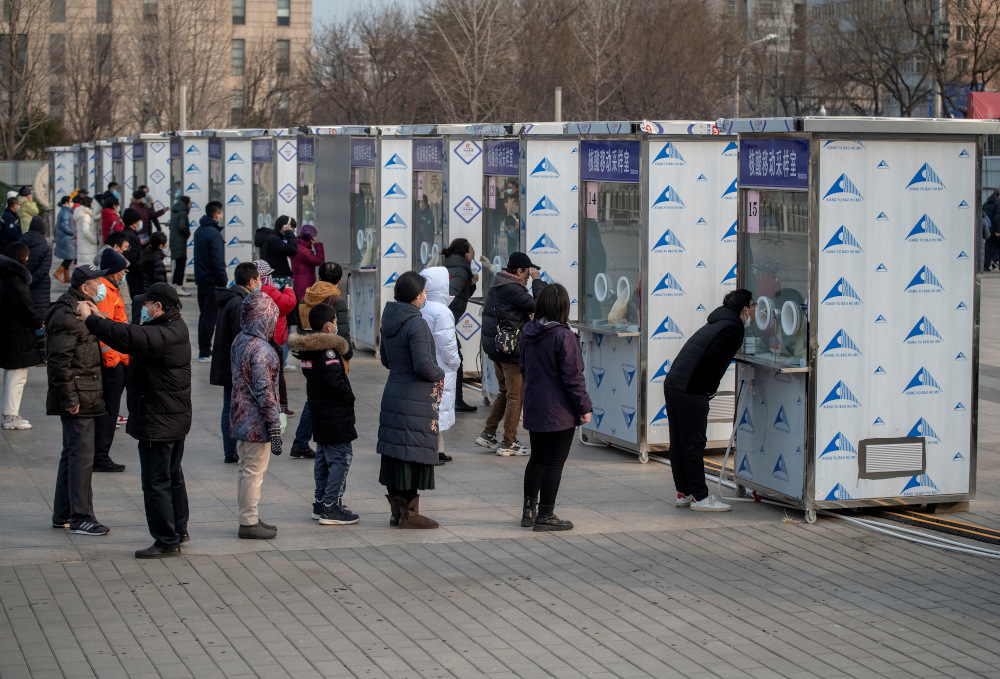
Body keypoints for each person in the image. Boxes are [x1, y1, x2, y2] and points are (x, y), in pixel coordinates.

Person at [79, 282, 192, 558]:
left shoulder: (164, 334)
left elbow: (128, 337)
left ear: (159, 307)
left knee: (156, 482)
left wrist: (90, 320)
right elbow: (133, 333)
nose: (144, 308)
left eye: (147, 304)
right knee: (172, 476)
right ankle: (178, 529)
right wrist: (103, 318)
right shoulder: (172, 328)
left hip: (158, 420)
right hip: (172, 418)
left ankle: (167, 540)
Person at [664, 289, 755, 513]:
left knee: (679, 442)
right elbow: (713, 361)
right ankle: (700, 497)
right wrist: (705, 391)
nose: (754, 311)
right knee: (693, 443)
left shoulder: (719, 321)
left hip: (674, 382)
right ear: (744, 309)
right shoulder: (733, 328)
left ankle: (684, 493)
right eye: (753, 306)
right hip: (690, 388)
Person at [519, 283, 592, 532]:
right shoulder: (564, 336)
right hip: (559, 410)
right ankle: (546, 514)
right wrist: (584, 407)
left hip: (534, 405)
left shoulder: (528, 333)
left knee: (537, 458)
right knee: (554, 463)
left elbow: (523, 369)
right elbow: (574, 378)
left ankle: (528, 511)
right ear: (562, 307)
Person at [377, 271, 445, 529]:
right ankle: (411, 516)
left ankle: (398, 512)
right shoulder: (416, 323)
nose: (425, 296)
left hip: (393, 392)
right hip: (414, 397)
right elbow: (424, 365)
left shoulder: (390, 319)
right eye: (424, 292)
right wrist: (441, 374)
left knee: (396, 454)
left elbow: (385, 360)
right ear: (417, 295)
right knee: (411, 454)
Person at [46, 264, 110, 535]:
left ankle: (63, 512)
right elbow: (59, 362)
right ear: (85, 288)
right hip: (79, 396)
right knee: (81, 457)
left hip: (86, 391)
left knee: (72, 454)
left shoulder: (82, 312)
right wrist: (69, 397)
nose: (101, 289)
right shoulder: (69, 315)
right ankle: (81, 516)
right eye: (97, 284)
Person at [287, 304, 359, 525]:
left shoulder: (308, 350)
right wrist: (349, 397)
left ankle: (320, 503)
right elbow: (335, 382)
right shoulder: (328, 351)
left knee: (323, 455)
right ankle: (331, 506)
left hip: (319, 410)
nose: (337, 326)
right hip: (333, 412)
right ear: (329, 325)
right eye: (336, 322)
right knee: (340, 457)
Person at [476, 251, 547, 456]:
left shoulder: (500, 283)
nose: (527, 276)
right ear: (519, 270)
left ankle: (488, 434)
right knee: (516, 395)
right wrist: (537, 282)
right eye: (527, 272)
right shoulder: (513, 288)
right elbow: (539, 306)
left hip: (498, 349)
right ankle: (509, 442)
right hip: (510, 351)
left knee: (505, 393)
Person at [230, 291, 282, 540]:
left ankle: (248, 515)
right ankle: (249, 521)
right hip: (255, 421)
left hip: (240, 416)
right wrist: (273, 423)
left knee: (245, 469)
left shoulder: (241, 339)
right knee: (253, 471)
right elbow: (265, 391)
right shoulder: (261, 348)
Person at [291, 261, 352, 458]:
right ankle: (309, 441)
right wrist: (347, 353)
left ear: (318, 278)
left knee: (315, 397)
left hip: (309, 355)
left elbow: (300, 328)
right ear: (340, 281)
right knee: (327, 399)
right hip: (330, 356)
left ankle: (302, 441)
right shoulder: (336, 301)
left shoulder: (304, 299)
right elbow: (343, 334)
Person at [211, 262, 260, 464]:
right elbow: (240, 337)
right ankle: (232, 450)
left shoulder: (231, 297)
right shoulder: (240, 302)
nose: (259, 284)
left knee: (228, 406)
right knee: (233, 407)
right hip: (234, 364)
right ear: (251, 281)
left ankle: (231, 449)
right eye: (258, 280)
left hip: (226, 361)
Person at [91, 249, 130, 473]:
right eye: (123, 269)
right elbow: (105, 331)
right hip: (111, 363)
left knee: (110, 411)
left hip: (118, 360)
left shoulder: (111, 289)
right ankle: (101, 456)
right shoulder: (106, 292)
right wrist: (114, 360)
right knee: (109, 411)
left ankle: (100, 454)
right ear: (115, 271)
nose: (124, 273)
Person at [419, 267, 461, 464]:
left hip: (427, 365)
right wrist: (455, 362)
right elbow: (448, 344)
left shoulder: (422, 306)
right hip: (442, 367)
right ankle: (432, 451)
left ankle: (438, 448)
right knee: (439, 409)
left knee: (433, 408)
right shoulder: (442, 311)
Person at [0, 244, 43, 430]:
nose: (28, 258)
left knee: (15, 376)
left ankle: (11, 414)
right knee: (16, 377)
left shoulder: (9, 279)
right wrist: (38, 321)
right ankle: (11, 416)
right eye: (26, 255)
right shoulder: (16, 281)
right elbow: (24, 308)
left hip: (12, 332)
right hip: (16, 334)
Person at [257, 259, 297, 418]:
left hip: (257, 339)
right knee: (277, 373)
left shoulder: (252, 292)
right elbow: (288, 304)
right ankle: (283, 406)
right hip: (274, 338)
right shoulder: (270, 290)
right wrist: (288, 290)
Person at [442, 238, 478, 412]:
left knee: (451, 358)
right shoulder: (462, 270)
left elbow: (460, 293)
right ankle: (456, 400)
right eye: (472, 249)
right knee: (456, 359)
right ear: (465, 254)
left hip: (445, 320)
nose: (474, 252)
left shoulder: (451, 265)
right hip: (446, 320)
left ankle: (452, 399)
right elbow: (452, 295)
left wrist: (471, 285)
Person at [193, 200, 226, 361]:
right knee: (210, 318)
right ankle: (205, 351)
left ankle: (204, 349)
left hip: (202, 280)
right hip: (213, 281)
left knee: (203, 316)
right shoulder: (214, 234)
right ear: (217, 214)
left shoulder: (199, 231)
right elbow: (218, 260)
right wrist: (223, 280)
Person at [254, 215, 298, 288]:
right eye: (292, 229)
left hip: (275, 277)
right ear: (285, 227)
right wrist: (289, 232)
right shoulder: (274, 240)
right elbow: (292, 249)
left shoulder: (270, 237)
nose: (292, 231)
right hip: (278, 278)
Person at [22, 216, 53, 318]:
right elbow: (43, 270)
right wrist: (31, 281)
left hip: (21, 287)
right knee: (39, 317)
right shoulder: (46, 248)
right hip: (41, 289)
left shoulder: (19, 244)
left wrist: (24, 282)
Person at [291, 223, 324, 302]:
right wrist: (317, 244)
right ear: (312, 238)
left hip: (301, 281)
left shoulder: (298, 246)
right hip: (304, 283)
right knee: (305, 307)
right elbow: (319, 261)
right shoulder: (303, 251)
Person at [168, 196, 192, 295]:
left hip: (175, 242)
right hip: (179, 242)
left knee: (178, 264)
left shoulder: (175, 212)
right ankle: (179, 286)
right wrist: (188, 234)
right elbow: (182, 227)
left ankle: (175, 285)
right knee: (180, 265)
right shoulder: (183, 213)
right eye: (190, 203)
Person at [54, 196, 76, 283]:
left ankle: (67, 276)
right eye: (71, 201)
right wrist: (73, 232)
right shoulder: (66, 212)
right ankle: (58, 272)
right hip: (67, 238)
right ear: (67, 202)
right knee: (69, 258)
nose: (72, 203)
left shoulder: (63, 211)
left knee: (68, 257)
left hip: (64, 238)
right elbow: (65, 226)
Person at [75, 196, 100, 272]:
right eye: (92, 203)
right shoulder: (86, 216)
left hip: (83, 246)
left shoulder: (81, 214)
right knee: (89, 269)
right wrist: (94, 240)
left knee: (83, 267)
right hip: (88, 246)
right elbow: (86, 231)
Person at [985, 188, 1000, 271]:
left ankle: (987, 265)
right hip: (995, 230)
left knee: (988, 247)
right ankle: (995, 262)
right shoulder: (998, 203)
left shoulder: (986, 203)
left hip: (987, 229)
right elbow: (998, 218)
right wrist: (998, 230)